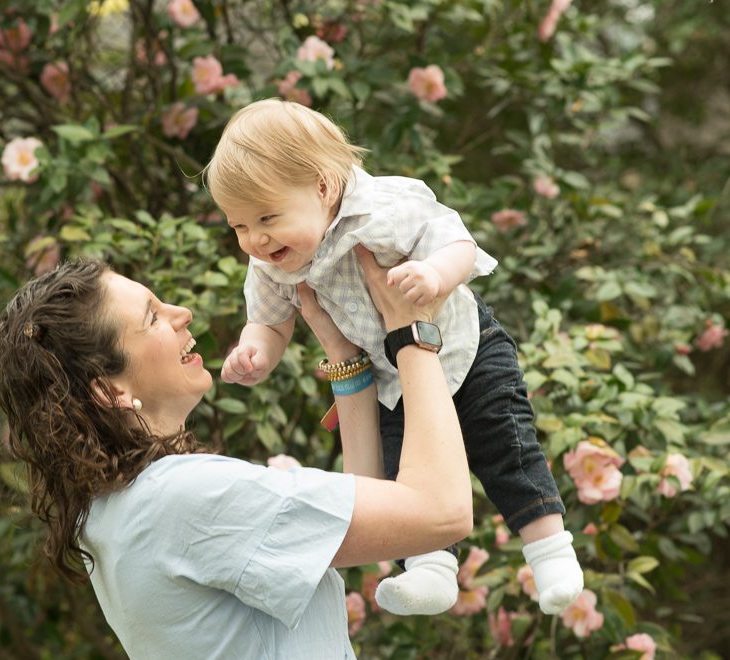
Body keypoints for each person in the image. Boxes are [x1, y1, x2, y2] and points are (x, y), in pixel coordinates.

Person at [0, 250, 473, 659]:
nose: (182, 313)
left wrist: (345, 360)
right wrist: (411, 332)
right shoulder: (185, 495)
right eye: (153, 317)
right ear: (109, 390)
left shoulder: (112, 510)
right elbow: (441, 513)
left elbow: (375, 513)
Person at [204, 98, 583, 616]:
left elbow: (458, 242)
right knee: (407, 472)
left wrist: (435, 274)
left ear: (323, 186)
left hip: (465, 349)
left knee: (505, 445)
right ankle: (430, 570)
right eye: (239, 227)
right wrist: (256, 352)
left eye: (267, 217)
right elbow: (269, 322)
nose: (256, 239)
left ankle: (551, 552)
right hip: (392, 379)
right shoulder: (272, 262)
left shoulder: (386, 205)